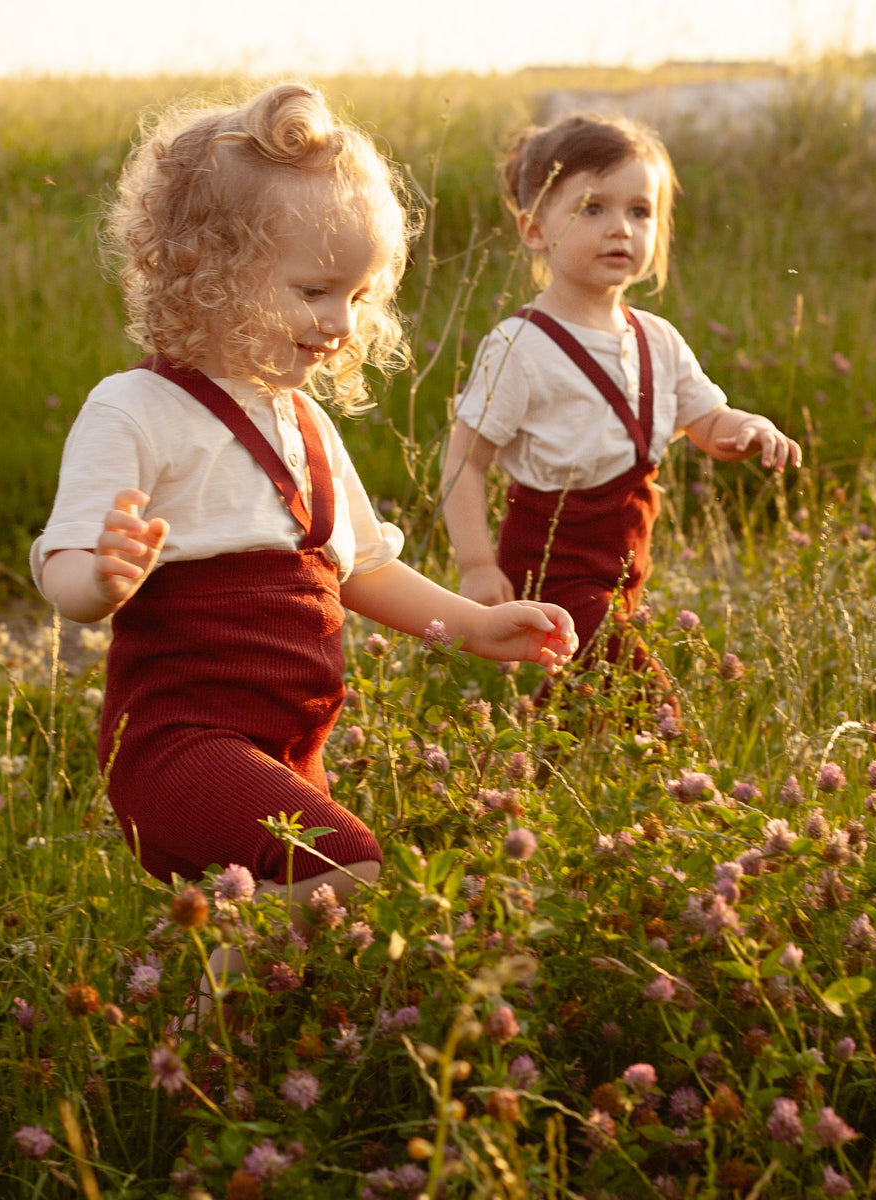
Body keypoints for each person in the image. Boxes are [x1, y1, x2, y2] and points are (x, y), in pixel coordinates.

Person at [31, 82, 576, 946]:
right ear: (206, 273)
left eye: (359, 298)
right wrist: (99, 578)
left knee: (297, 922)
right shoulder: (134, 407)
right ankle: (192, 1012)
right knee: (343, 869)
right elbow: (61, 570)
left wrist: (475, 624)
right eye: (317, 291)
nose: (340, 324)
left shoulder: (306, 424)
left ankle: (200, 1005)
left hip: (291, 749)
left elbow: (363, 570)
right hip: (180, 747)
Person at [441, 113, 801, 708]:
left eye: (640, 211)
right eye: (592, 209)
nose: (621, 229)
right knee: (640, 702)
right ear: (534, 230)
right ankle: (671, 775)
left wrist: (747, 430)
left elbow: (706, 422)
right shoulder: (520, 345)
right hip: (554, 562)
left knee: (587, 704)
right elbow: (465, 461)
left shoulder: (657, 339)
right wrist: (477, 564)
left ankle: (526, 777)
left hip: (626, 560)